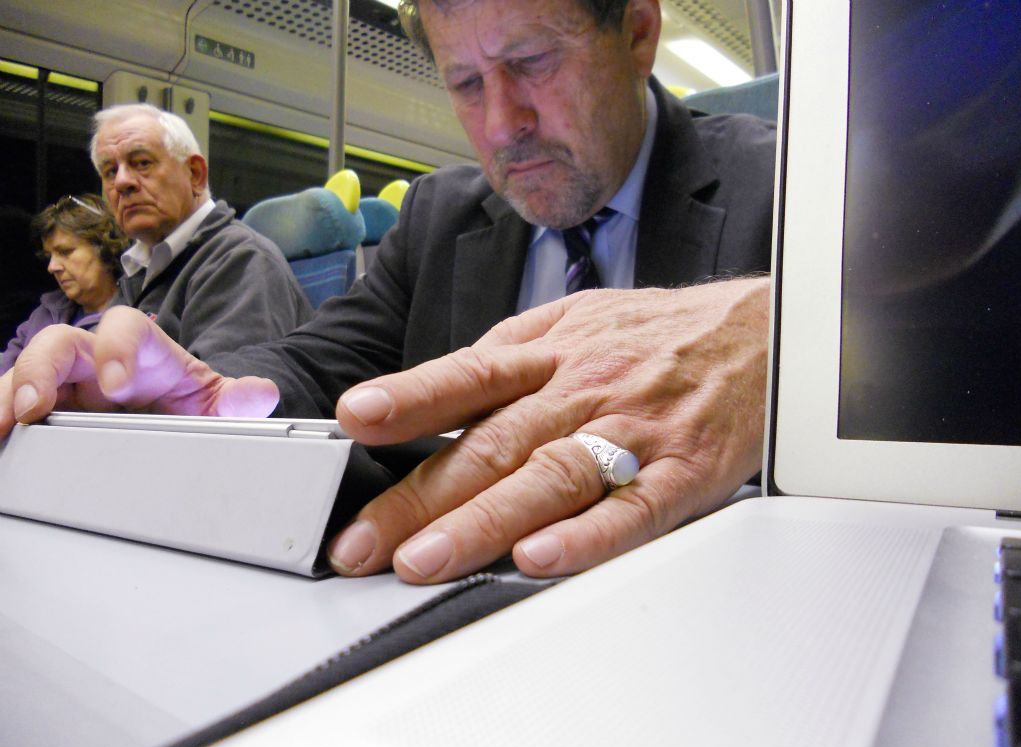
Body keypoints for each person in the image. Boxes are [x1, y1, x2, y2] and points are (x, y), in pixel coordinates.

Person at [1, 0, 774, 586]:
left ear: (638, 35)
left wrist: (777, 323)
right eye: (465, 83)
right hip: (462, 604)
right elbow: (324, 357)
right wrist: (209, 397)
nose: (502, 125)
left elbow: (887, 344)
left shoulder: (789, 186)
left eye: (534, 62)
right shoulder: (442, 214)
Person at [89, 103, 313, 359]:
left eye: (141, 163)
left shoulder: (241, 260)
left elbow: (218, 391)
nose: (122, 182)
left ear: (195, 174)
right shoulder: (139, 271)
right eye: (110, 171)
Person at [1, 194, 129, 374]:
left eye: (65, 252)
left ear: (106, 250)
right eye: (49, 256)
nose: (52, 267)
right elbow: (6, 367)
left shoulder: (135, 311)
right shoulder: (46, 311)